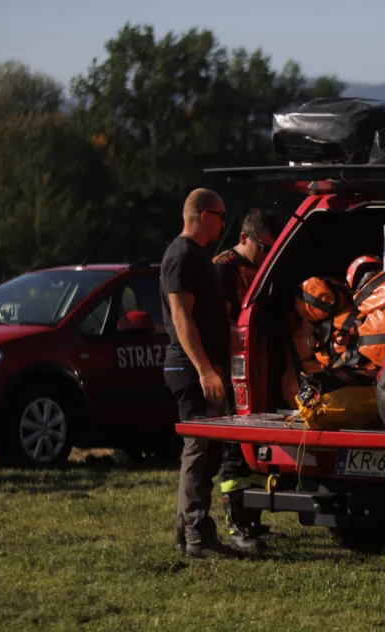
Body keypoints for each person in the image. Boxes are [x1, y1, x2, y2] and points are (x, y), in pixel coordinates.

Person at [161, 188, 244, 559]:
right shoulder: (181, 256)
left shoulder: (197, 256)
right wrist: (205, 371)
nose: (224, 224)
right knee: (198, 450)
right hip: (191, 369)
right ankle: (196, 538)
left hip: (204, 368)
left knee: (207, 454)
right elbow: (182, 318)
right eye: (221, 215)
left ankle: (191, 533)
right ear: (203, 215)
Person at [211, 208, 283, 548]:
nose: (268, 255)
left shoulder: (261, 270)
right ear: (244, 239)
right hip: (231, 372)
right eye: (264, 248)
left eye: (273, 249)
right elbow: (218, 326)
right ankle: (236, 523)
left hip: (258, 369)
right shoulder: (222, 269)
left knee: (257, 445)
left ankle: (253, 520)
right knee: (234, 448)